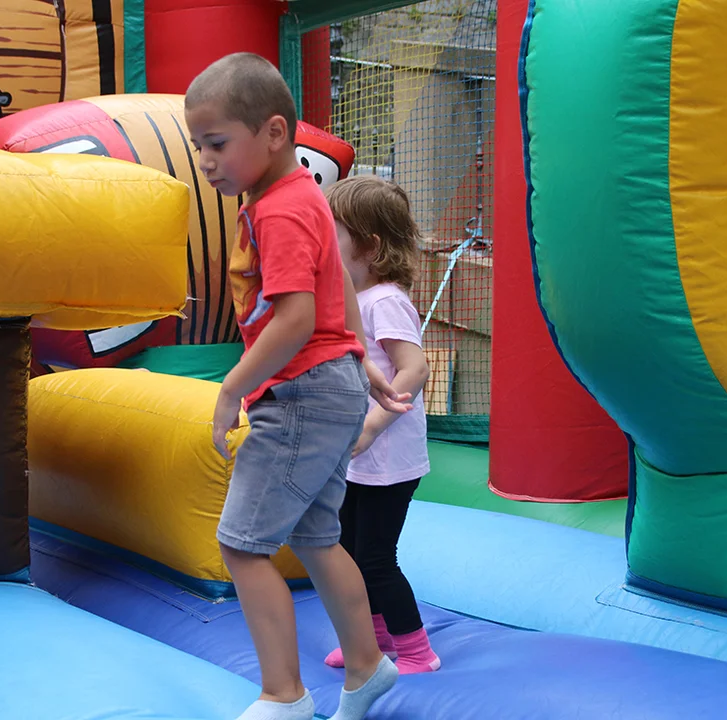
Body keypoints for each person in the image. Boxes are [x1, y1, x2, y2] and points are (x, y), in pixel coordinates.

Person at [184, 52, 406, 720]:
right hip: (329, 382)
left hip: (301, 393)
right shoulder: (301, 196)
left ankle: (284, 694)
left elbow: (296, 318)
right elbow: (334, 293)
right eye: (199, 146)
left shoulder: (279, 210)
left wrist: (232, 389)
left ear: (274, 132)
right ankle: (366, 667)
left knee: (242, 544)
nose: (206, 161)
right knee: (315, 536)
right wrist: (358, 362)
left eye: (217, 143)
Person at [321, 177, 440, 675]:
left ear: (369, 247)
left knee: (375, 558)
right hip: (358, 455)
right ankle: (375, 640)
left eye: (333, 234)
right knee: (350, 552)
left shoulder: (385, 300)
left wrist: (372, 426)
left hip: (389, 459)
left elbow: (415, 368)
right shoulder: (354, 298)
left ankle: (417, 651)